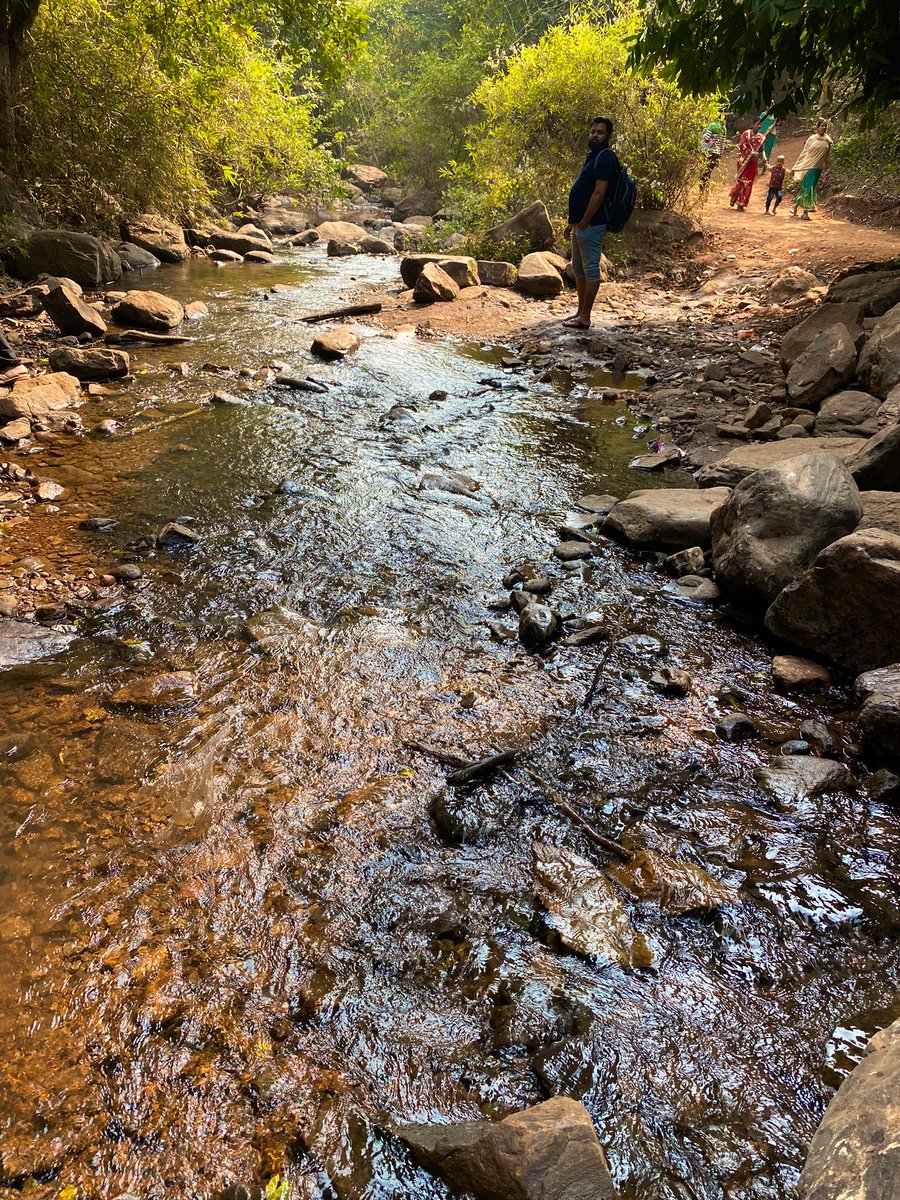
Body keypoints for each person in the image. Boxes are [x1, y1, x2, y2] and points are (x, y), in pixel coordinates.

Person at [562, 115, 619, 328]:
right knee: (578, 268)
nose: (595, 135)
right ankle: (579, 312)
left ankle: (585, 317)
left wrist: (585, 220)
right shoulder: (593, 155)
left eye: (600, 132)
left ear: (608, 136)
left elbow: (599, 193)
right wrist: (572, 222)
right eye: (593, 131)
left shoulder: (605, 157)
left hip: (593, 223)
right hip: (581, 223)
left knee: (590, 268)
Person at [789, 119, 833, 220]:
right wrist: (797, 166)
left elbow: (827, 156)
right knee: (809, 189)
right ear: (817, 127)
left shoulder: (828, 140)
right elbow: (804, 153)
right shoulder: (812, 139)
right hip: (809, 167)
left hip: (818, 168)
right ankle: (805, 212)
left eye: (826, 126)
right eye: (822, 125)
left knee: (809, 188)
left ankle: (795, 205)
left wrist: (828, 168)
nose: (824, 127)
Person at [729, 119, 765, 211]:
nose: (759, 126)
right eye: (758, 124)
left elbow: (761, 149)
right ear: (752, 124)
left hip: (753, 163)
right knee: (742, 180)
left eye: (761, 124)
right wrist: (750, 153)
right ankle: (734, 196)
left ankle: (742, 203)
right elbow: (741, 145)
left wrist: (763, 157)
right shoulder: (746, 134)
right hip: (744, 161)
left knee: (749, 182)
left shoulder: (761, 137)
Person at [700, 116, 726, 186]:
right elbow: (722, 143)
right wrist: (719, 156)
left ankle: (702, 192)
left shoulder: (712, 126)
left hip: (709, 153)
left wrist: (703, 133)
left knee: (703, 174)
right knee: (708, 172)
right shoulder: (723, 128)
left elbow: (706, 138)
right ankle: (705, 192)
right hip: (717, 153)